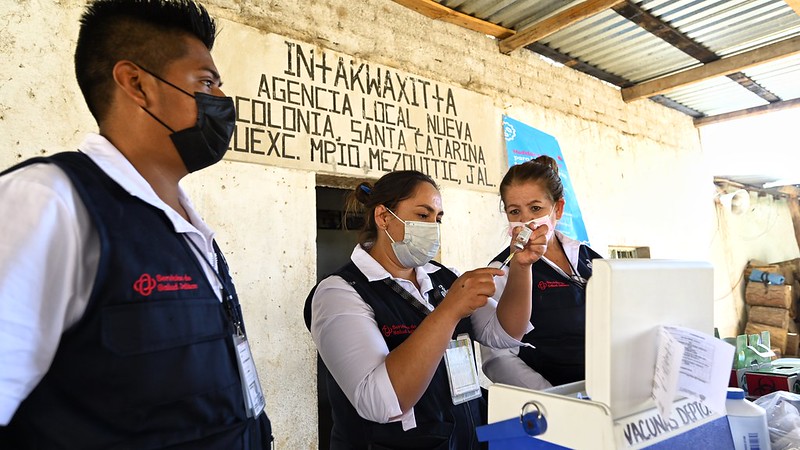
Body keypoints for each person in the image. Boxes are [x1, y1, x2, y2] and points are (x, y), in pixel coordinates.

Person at [0, 1, 273, 448]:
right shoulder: (49, 202)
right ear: (136, 84)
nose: (224, 103)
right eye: (206, 82)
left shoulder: (189, 231)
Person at [304, 170, 545, 450]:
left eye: (437, 218)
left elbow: (504, 333)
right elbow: (379, 402)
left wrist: (522, 267)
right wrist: (450, 309)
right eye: (422, 215)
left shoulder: (443, 277)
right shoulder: (340, 292)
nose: (433, 226)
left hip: (466, 437)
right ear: (383, 217)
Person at [481, 156, 602, 389]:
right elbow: (499, 358)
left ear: (558, 208)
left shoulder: (588, 258)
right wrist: (551, 397)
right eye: (514, 211)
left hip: (610, 389)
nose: (526, 220)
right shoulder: (500, 272)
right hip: (555, 403)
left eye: (535, 208)